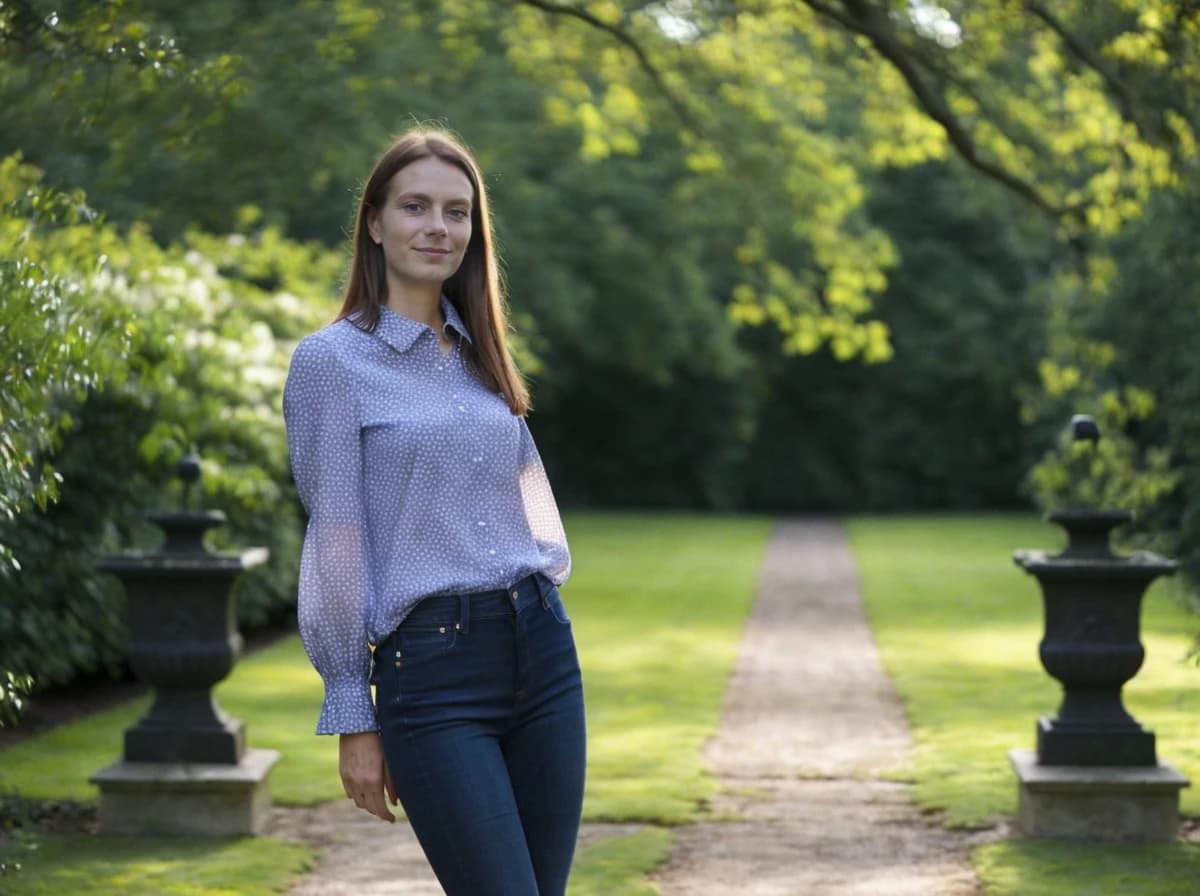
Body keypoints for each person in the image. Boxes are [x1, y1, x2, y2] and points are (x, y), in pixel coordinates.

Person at [283, 127, 586, 896]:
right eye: (415, 206)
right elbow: (335, 541)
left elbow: (525, 497)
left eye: (457, 212)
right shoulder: (330, 363)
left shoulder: (480, 350)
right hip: (432, 672)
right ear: (374, 223)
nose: (437, 227)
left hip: (542, 652)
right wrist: (353, 712)